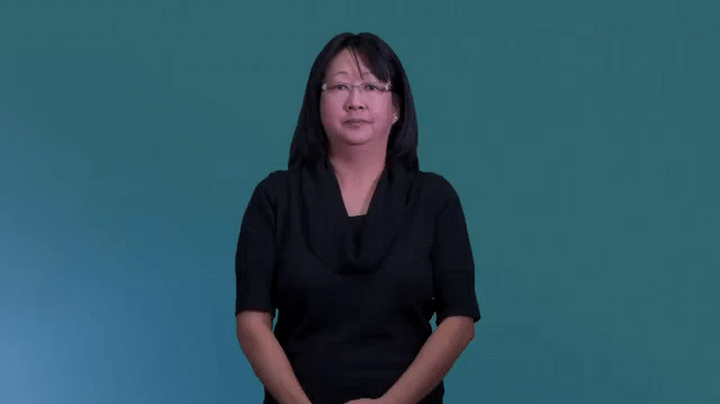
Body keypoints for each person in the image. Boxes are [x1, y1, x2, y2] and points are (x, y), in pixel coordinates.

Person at [234, 32, 481, 404]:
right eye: (340, 87)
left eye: (371, 86)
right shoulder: (275, 198)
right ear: (317, 102)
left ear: (396, 107)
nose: (355, 101)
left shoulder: (435, 199)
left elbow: (459, 322)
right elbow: (252, 324)